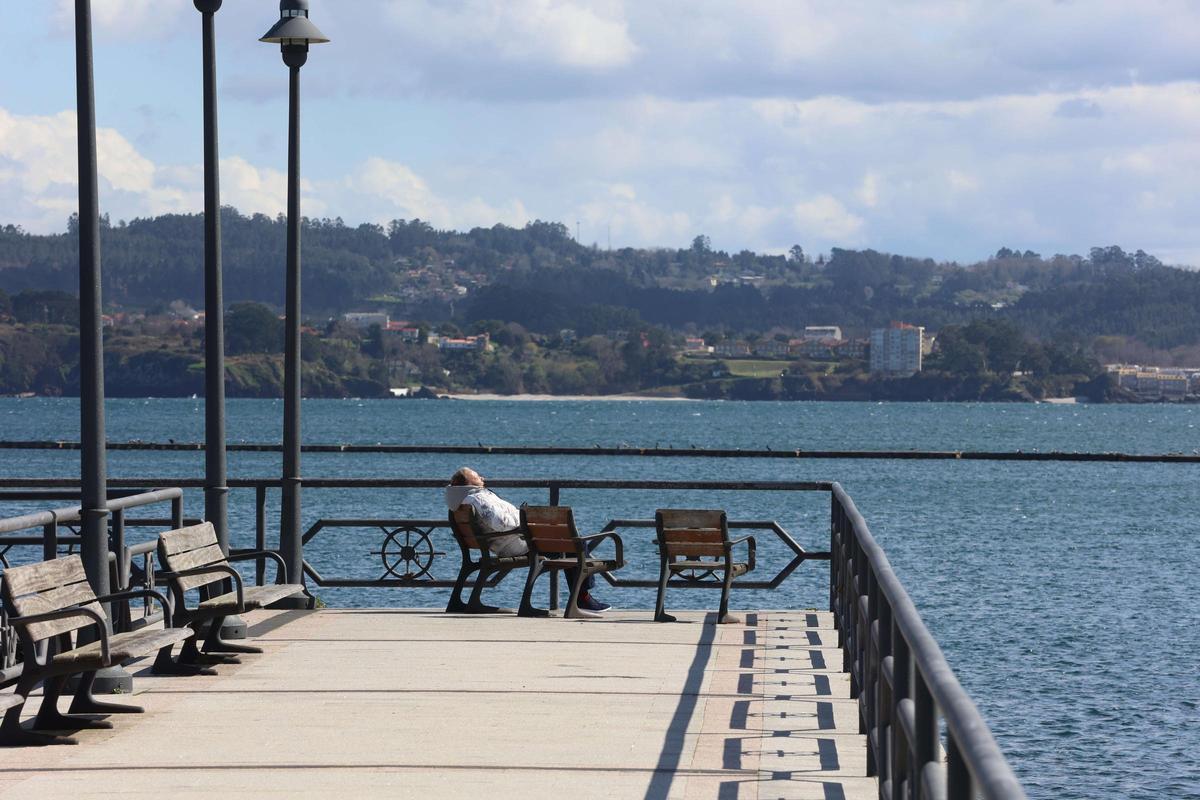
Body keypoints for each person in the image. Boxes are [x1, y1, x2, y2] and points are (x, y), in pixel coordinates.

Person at [443, 467, 610, 613]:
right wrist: (525, 521)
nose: (482, 478)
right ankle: (583, 598)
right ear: (467, 482)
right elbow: (501, 523)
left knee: (567, 542)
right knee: (575, 543)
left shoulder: (461, 500)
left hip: (501, 542)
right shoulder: (478, 499)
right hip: (516, 545)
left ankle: (581, 597)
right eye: (478, 476)